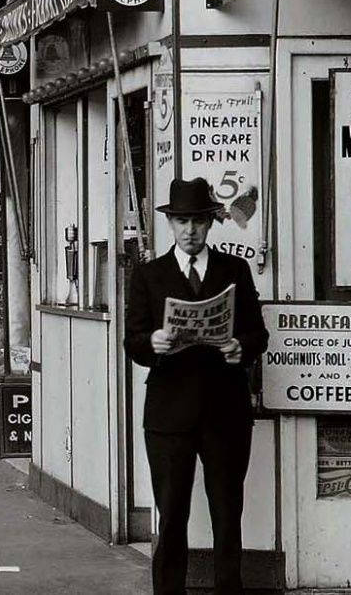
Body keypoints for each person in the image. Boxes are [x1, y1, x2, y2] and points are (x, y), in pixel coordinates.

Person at [124, 177, 268, 595]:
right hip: (169, 416)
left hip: (225, 412)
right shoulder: (150, 275)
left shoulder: (234, 270)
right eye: (183, 221)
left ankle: (228, 589)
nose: (190, 230)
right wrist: (151, 342)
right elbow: (132, 341)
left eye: (199, 222)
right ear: (171, 225)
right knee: (171, 515)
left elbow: (258, 334)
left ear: (210, 224)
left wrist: (242, 347)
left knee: (227, 513)